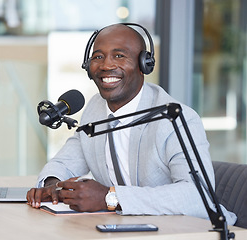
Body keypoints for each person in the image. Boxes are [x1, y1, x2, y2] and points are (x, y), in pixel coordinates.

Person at [26, 23, 236, 225]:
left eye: (119, 55)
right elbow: (66, 161)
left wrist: (110, 198)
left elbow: (197, 196)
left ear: (144, 64)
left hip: (193, 232)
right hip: (128, 230)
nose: (107, 65)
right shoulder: (96, 108)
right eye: (98, 56)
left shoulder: (175, 118)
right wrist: (53, 185)